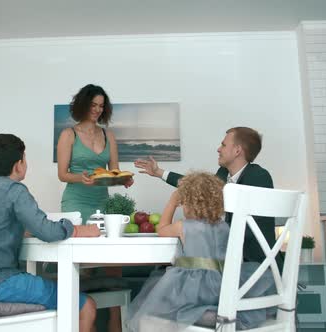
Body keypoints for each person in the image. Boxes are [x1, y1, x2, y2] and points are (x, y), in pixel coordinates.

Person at [0, 133, 101, 332]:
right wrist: (78, 229)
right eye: (25, 158)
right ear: (18, 165)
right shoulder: (15, 190)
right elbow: (47, 231)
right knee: (85, 306)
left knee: (55, 288)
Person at [127, 172, 273, 331]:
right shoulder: (224, 227)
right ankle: (215, 314)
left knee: (158, 311)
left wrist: (171, 203)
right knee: (206, 304)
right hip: (223, 285)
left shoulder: (184, 226)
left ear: (188, 203)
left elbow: (161, 229)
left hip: (192, 286)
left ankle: (202, 315)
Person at [134, 127, 276, 265]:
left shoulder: (258, 176)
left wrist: (200, 232)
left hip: (254, 264)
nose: (218, 149)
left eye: (223, 145)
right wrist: (159, 172)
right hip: (229, 260)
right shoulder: (223, 172)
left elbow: (250, 229)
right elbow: (197, 186)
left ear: (237, 150)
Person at [57, 84, 133, 223]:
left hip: (103, 202)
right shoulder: (68, 134)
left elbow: (114, 171)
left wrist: (123, 180)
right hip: (75, 202)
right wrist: (82, 178)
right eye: (93, 105)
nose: (98, 109)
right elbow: (62, 175)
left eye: (101, 106)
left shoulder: (108, 135)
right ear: (83, 105)